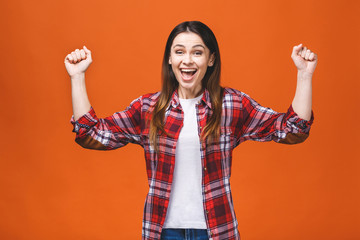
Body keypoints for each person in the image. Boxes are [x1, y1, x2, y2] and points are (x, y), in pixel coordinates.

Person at [64, 21, 317, 240]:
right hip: (163, 231)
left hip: (217, 230)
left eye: (197, 52)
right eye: (179, 52)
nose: (187, 60)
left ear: (210, 59)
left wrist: (304, 75)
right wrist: (77, 77)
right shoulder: (149, 108)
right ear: (170, 59)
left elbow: (293, 129)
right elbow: (91, 134)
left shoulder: (232, 104)